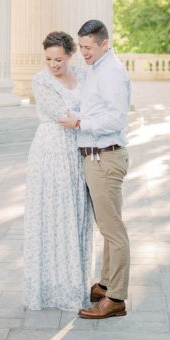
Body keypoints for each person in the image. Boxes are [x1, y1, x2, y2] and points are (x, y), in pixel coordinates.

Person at [58, 19, 131, 319]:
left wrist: (79, 123)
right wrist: (77, 115)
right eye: (81, 47)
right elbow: (96, 111)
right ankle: (104, 284)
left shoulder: (112, 73)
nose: (83, 52)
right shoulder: (97, 71)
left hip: (105, 157)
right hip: (95, 157)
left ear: (104, 43)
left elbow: (115, 121)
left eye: (88, 47)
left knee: (114, 231)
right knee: (107, 226)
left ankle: (116, 298)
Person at [23, 31, 94, 311]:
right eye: (49, 59)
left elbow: (89, 109)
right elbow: (62, 116)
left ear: (70, 54)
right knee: (53, 216)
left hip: (79, 150)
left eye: (59, 59)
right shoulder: (40, 81)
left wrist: (84, 118)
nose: (53, 64)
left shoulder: (84, 75)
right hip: (51, 151)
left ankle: (75, 284)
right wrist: (88, 117)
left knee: (75, 214)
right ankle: (51, 288)